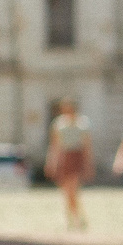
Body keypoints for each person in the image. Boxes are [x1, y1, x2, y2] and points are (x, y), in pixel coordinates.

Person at [44, 98, 92, 230]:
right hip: (63, 158)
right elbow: (54, 146)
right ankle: (72, 218)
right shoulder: (58, 124)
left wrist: (88, 165)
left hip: (76, 157)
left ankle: (76, 219)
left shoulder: (83, 124)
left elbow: (87, 146)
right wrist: (51, 162)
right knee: (66, 191)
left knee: (73, 190)